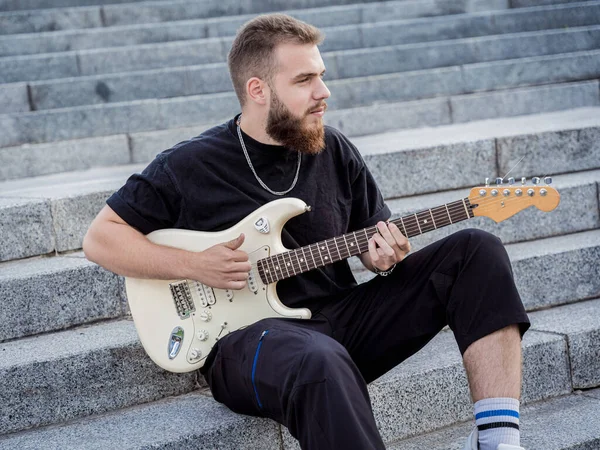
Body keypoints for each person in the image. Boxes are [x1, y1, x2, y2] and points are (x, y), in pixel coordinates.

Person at [83, 13, 530, 450]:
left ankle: (498, 440)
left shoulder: (332, 148)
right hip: (247, 343)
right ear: (257, 90)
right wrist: (196, 265)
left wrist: (382, 257)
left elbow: (374, 241)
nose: (324, 92)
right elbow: (101, 239)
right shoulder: (189, 165)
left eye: (321, 75)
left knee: (477, 250)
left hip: (340, 320)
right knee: (318, 359)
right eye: (304, 81)